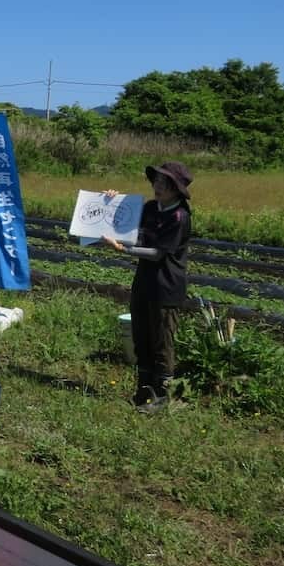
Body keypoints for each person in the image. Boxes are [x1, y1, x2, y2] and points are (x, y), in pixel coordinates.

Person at [101, 162, 193, 413]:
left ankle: (163, 398)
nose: (158, 186)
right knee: (141, 337)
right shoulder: (151, 208)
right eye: (157, 181)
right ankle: (143, 392)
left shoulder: (179, 216)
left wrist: (123, 249)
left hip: (166, 287)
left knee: (162, 341)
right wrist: (111, 201)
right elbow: (126, 222)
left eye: (165, 183)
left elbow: (156, 253)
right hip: (143, 282)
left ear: (176, 189)